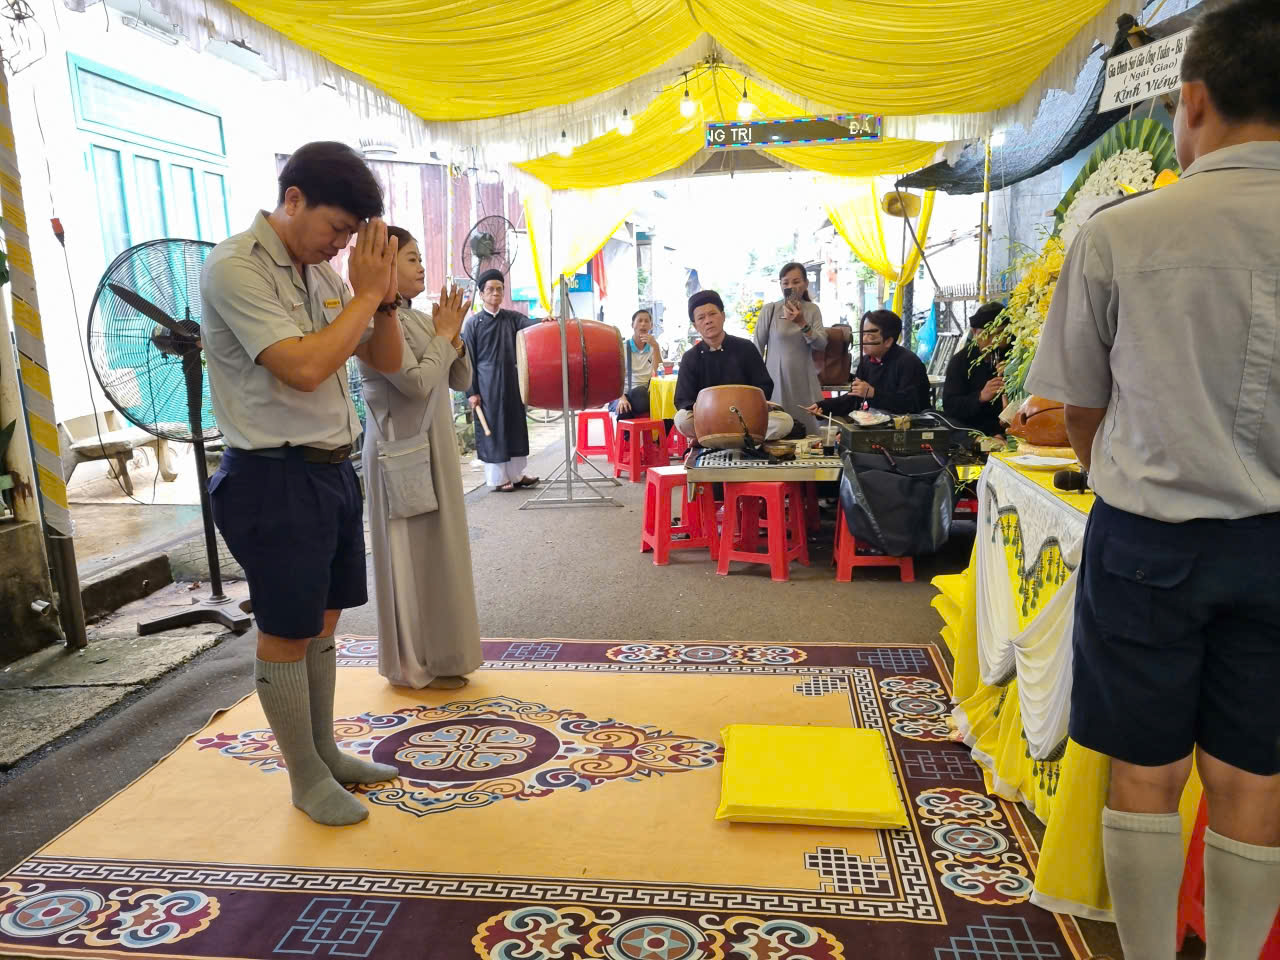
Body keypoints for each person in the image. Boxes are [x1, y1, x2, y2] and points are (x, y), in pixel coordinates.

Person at [1025, 3, 1280, 957]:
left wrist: (1120, 476)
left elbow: (1076, 408)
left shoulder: (1120, 234)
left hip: (1148, 543)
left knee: (1146, 772)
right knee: (1254, 775)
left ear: (1193, 100)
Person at [202, 141, 403, 826]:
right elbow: (306, 368)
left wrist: (384, 302)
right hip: (272, 476)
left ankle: (325, 753)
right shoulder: (235, 267)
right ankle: (304, 777)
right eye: (337, 228)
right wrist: (365, 294)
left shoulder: (322, 276)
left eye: (351, 235)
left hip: (332, 470)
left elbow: (385, 359)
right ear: (293, 199)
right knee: (287, 630)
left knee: (323, 621)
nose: (341, 245)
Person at [359, 228, 481, 691]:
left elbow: (458, 379)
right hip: (399, 446)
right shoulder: (373, 321)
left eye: (420, 258)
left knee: (440, 550)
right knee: (405, 555)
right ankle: (410, 664)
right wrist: (444, 335)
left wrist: (454, 336)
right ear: (385, 265)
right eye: (411, 259)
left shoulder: (419, 317)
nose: (422, 267)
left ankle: (444, 655)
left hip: (435, 445)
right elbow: (415, 383)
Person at [673, 290, 793, 441]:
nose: (708, 321)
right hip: (709, 419)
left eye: (712, 314)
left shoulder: (746, 347)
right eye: (701, 318)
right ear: (695, 326)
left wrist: (745, 404)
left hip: (745, 416)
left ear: (723, 316)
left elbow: (764, 386)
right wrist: (708, 409)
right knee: (682, 419)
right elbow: (683, 399)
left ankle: (716, 440)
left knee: (784, 421)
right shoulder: (690, 357)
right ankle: (739, 441)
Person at [461, 268, 541, 492]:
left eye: (499, 289)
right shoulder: (473, 324)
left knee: (514, 426)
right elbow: (468, 361)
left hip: (511, 382)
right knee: (494, 430)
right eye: (490, 289)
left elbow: (530, 324)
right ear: (481, 294)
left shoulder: (511, 318)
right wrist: (471, 392)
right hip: (487, 387)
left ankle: (517, 475)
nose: (495, 293)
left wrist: (545, 321)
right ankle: (498, 479)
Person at [806, 310, 929, 418]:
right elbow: (853, 399)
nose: (863, 339)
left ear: (888, 341)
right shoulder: (866, 362)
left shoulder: (909, 363)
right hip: (877, 421)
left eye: (870, 336)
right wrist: (824, 406)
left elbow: (911, 404)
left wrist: (873, 393)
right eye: (863, 334)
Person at [753, 261, 827, 435]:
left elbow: (821, 343)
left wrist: (801, 322)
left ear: (806, 284)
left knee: (809, 428)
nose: (790, 287)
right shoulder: (770, 310)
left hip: (804, 378)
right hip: (775, 379)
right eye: (785, 283)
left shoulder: (812, 310)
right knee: (778, 426)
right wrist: (755, 384)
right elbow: (756, 348)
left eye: (796, 282)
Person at [942, 302, 1008, 437]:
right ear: (974, 333)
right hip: (974, 428)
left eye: (1000, 333)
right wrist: (980, 397)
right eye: (987, 335)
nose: (994, 341)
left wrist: (1013, 375)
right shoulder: (960, 361)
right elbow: (950, 406)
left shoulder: (1015, 355)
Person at [611, 309, 664, 420]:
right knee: (624, 409)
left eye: (646, 321)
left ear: (651, 326)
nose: (643, 324)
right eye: (639, 321)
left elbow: (659, 372)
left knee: (646, 398)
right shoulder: (622, 348)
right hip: (622, 394)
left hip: (645, 394)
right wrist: (621, 398)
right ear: (632, 325)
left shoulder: (654, 347)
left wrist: (656, 347)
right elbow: (613, 378)